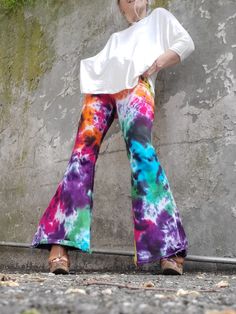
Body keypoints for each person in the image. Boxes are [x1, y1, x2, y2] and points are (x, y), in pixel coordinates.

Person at [31, 0, 195, 276]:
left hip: (136, 83)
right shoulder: (116, 38)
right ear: (120, 7)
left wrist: (152, 67)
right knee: (81, 157)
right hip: (99, 91)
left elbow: (185, 43)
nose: (131, 1)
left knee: (141, 152)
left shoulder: (160, 18)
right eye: (124, 0)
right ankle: (59, 242)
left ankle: (167, 246)